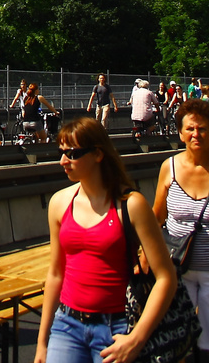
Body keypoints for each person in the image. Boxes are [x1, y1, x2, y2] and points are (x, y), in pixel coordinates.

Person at [34, 116, 176, 363]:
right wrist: (42, 342)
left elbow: (166, 277)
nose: (63, 161)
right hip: (67, 325)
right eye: (61, 152)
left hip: (116, 328)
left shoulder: (131, 204)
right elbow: (56, 273)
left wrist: (137, 338)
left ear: (98, 154)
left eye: (72, 154)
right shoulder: (59, 203)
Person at [153, 97, 209, 363]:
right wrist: (145, 254)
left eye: (202, 128)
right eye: (190, 129)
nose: (196, 134)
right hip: (176, 271)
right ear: (180, 132)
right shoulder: (170, 167)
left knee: (207, 346)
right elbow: (157, 217)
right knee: (175, 342)